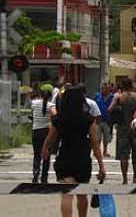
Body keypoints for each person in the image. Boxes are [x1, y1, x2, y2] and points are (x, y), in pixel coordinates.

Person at [41, 87, 106, 217]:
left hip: (65, 158)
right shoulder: (88, 120)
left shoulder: (59, 119)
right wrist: (101, 165)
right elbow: (95, 143)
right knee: (82, 195)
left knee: (67, 195)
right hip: (82, 159)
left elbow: (50, 138)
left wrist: (45, 149)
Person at [109, 78, 136, 184]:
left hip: (122, 128)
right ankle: (135, 176)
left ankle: (124, 179)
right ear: (132, 86)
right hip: (135, 128)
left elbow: (110, 109)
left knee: (124, 155)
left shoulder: (119, 97)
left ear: (122, 87)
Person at [31, 84, 55, 183]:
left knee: (37, 155)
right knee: (46, 155)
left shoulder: (34, 103)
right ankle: (44, 178)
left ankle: (35, 174)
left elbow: (33, 113)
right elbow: (55, 114)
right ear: (50, 95)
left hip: (36, 132)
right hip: (46, 133)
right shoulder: (51, 105)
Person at [95, 83, 114, 157]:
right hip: (98, 120)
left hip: (108, 121)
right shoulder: (97, 96)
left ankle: (105, 151)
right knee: (97, 137)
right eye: (102, 88)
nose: (104, 90)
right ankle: (97, 151)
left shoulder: (112, 97)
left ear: (109, 89)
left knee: (106, 138)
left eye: (106, 88)